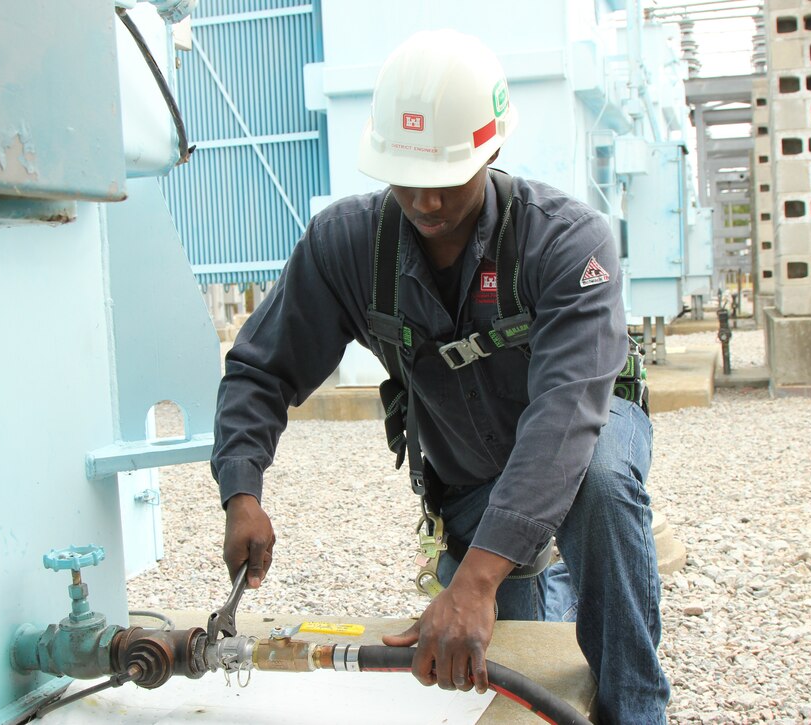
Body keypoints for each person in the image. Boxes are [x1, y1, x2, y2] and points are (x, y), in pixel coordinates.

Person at [211, 29, 669, 723]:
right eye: (407, 177)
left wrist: (478, 579)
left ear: (490, 149)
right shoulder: (348, 247)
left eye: (445, 177)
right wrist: (241, 492)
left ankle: (636, 711)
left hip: (580, 439)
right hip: (468, 476)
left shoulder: (567, 242)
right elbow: (260, 366)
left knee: (600, 487)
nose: (425, 201)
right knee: (500, 672)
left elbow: (565, 416)